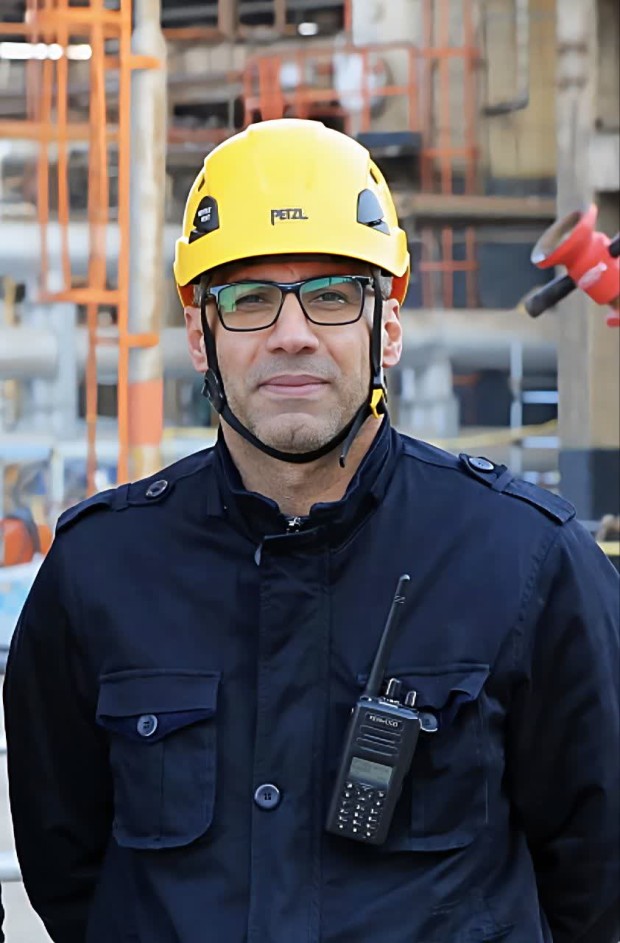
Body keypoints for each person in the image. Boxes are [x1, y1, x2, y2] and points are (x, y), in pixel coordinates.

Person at [3, 119, 619, 943]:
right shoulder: (99, 573)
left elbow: (597, 886)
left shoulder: (528, 563)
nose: (292, 333)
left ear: (386, 324)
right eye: (250, 299)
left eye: (332, 295)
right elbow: (69, 875)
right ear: (199, 335)